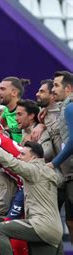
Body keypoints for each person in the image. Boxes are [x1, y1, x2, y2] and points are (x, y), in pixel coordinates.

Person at [0, 137, 64, 255]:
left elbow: (10, 162)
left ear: (33, 157)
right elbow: (60, 179)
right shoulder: (51, 172)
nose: (19, 157)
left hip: (41, 226)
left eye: (22, 154)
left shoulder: (33, 169)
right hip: (54, 229)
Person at [50, 70, 73, 244]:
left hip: (71, 174)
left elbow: (72, 141)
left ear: (69, 88)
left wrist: (54, 163)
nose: (53, 89)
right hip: (68, 175)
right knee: (70, 221)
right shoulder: (65, 107)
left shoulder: (70, 107)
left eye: (57, 85)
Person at [32, 79, 61, 155]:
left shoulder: (65, 110)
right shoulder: (42, 114)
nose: (37, 94)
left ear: (52, 95)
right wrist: (42, 125)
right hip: (55, 163)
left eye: (42, 91)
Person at [0, 76, 30, 143]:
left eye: (2, 89)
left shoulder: (27, 110)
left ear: (14, 93)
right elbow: (0, 124)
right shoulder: (6, 110)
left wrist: (42, 126)